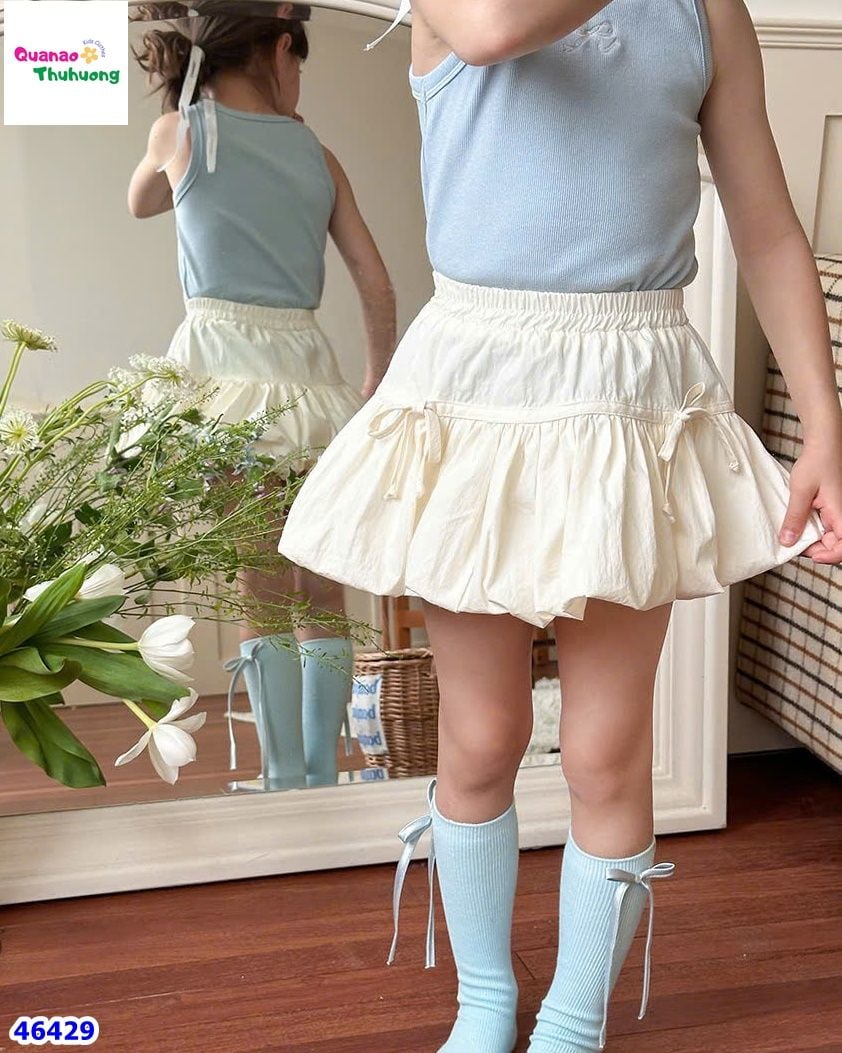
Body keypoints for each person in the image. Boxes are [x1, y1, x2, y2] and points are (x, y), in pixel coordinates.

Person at [279, 0, 842, 1050]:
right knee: (481, 734)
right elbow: (495, 31)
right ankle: (484, 1002)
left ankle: (573, 1024)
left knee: (604, 751)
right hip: (478, 385)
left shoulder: (706, 12)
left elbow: (765, 226)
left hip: (633, 391)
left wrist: (823, 425)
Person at [128, 1, 397, 791]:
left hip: (223, 376)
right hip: (309, 377)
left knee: (260, 578)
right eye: (299, 63)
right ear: (281, 49)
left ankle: (282, 777)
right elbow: (375, 284)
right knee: (322, 582)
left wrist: (181, 112)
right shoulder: (317, 152)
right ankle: (322, 770)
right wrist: (376, 379)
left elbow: (140, 201)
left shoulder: (181, 133)